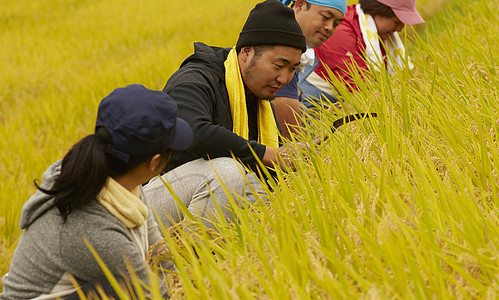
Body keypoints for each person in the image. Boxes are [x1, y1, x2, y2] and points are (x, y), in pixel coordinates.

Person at [0, 84, 193, 300]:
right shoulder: (96, 230)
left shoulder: (120, 181)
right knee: (126, 290)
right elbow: (155, 294)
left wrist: (187, 283)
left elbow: (159, 254)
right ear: (154, 162)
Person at [143, 0, 307, 229]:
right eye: (279, 65)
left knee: (274, 198)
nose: (285, 79)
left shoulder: (258, 99)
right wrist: (267, 154)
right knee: (230, 174)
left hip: (198, 200)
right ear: (247, 52)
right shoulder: (197, 78)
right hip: (145, 206)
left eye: (293, 69)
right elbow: (191, 130)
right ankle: (182, 262)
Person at [299, 0, 425, 110]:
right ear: (378, 11)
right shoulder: (341, 31)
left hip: (338, 106)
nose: (400, 28)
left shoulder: (379, 38)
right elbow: (362, 88)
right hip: (309, 108)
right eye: (396, 22)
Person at [271, 0, 347, 140]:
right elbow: (292, 142)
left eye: (336, 24)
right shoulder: (280, 50)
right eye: (325, 17)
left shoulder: (297, 49)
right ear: (300, 5)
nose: (330, 27)